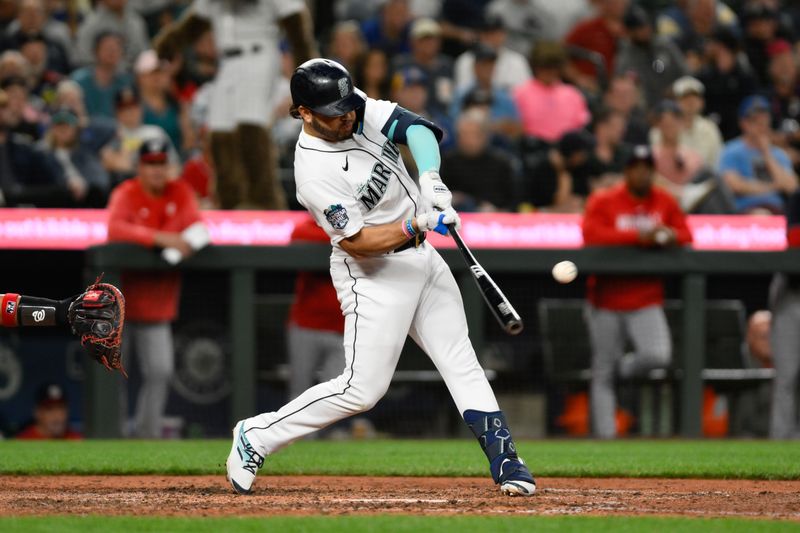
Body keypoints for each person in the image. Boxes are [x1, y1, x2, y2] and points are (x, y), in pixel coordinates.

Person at [225, 58, 536, 497]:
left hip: (422, 258)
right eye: (335, 112)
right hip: (373, 273)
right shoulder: (313, 170)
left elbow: (416, 128)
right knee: (361, 389)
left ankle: (507, 460)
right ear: (304, 113)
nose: (347, 116)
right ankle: (257, 435)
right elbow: (358, 241)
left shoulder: (353, 107)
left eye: (349, 105)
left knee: (460, 359)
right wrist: (418, 224)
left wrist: (431, 178)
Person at [154, 0, 317, 210]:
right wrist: (170, 43)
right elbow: (196, 22)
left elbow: (296, 26)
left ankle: (264, 200)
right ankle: (229, 200)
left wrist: (307, 70)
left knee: (251, 125)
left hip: (259, 55)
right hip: (228, 62)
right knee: (218, 130)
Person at [582, 144, 692, 438]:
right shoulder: (605, 200)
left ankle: (624, 367)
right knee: (601, 373)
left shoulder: (664, 201)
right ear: (627, 171)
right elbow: (591, 235)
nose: (642, 173)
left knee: (658, 355)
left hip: (646, 297)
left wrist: (669, 235)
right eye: (636, 168)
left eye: (647, 168)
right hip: (606, 299)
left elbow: (687, 234)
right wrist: (639, 236)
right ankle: (606, 441)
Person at [106, 138, 204, 438]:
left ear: (170, 166)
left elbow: (194, 226)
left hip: (157, 306)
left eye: (161, 163)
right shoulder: (126, 192)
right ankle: (114, 437)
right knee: (113, 375)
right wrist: (160, 238)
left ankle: (146, 437)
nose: (156, 170)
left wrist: (162, 237)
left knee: (161, 371)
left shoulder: (181, 191)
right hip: (120, 308)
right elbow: (115, 229)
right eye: (150, 164)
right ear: (139, 167)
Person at [286, 218, 345, 401]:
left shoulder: (357, 225)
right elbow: (299, 235)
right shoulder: (307, 227)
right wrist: (348, 241)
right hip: (306, 325)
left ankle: (332, 430)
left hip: (344, 329)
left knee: (334, 397)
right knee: (299, 393)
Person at [717, 95, 798, 214]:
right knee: (760, 214)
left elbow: (791, 187)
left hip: (778, 210)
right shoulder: (731, 150)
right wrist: (774, 186)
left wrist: (767, 153)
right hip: (743, 210)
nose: (761, 126)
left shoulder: (778, 154)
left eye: (765, 121)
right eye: (755, 121)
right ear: (743, 123)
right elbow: (734, 186)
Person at [513, 41, 590, 144]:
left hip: (564, 150)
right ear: (536, 67)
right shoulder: (520, 93)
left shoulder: (573, 95)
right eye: (545, 67)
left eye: (554, 67)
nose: (550, 72)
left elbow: (580, 127)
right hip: (530, 147)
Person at [440, 107, 516, 211]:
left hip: (494, 221)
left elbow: (514, 203)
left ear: (485, 136)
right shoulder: (447, 161)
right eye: (463, 134)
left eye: (473, 134)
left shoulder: (502, 163)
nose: (467, 140)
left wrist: (496, 211)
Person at [614, 4, 687, 110]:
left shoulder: (665, 45)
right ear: (630, 32)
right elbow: (621, 84)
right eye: (640, 28)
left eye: (645, 26)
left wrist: (675, 88)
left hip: (675, 103)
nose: (645, 31)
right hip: (645, 111)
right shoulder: (626, 56)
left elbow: (685, 72)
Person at [769, 189, 800, 439]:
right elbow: (794, 238)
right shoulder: (797, 198)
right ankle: (780, 441)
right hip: (792, 292)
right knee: (786, 375)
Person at [650, 76, 722, 170]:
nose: (690, 102)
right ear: (675, 101)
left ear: (702, 102)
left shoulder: (710, 129)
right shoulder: (660, 129)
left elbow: (717, 163)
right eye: (685, 98)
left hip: (703, 180)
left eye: (694, 98)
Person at [70, 31, 133, 120]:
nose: (112, 52)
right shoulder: (79, 80)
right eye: (108, 48)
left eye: (116, 49)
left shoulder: (126, 83)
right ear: (95, 51)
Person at [75, 0, 149, 67]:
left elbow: (144, 54)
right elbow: (84, 59)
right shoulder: (90, 25)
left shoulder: (136, 21)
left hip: (136, 75)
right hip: (102, 77)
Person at [16, 383, 82, 439]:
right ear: (37, 413)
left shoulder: (76, 440)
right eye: (49, 409)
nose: (57, 416)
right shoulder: (24, 440)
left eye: (61, 408)